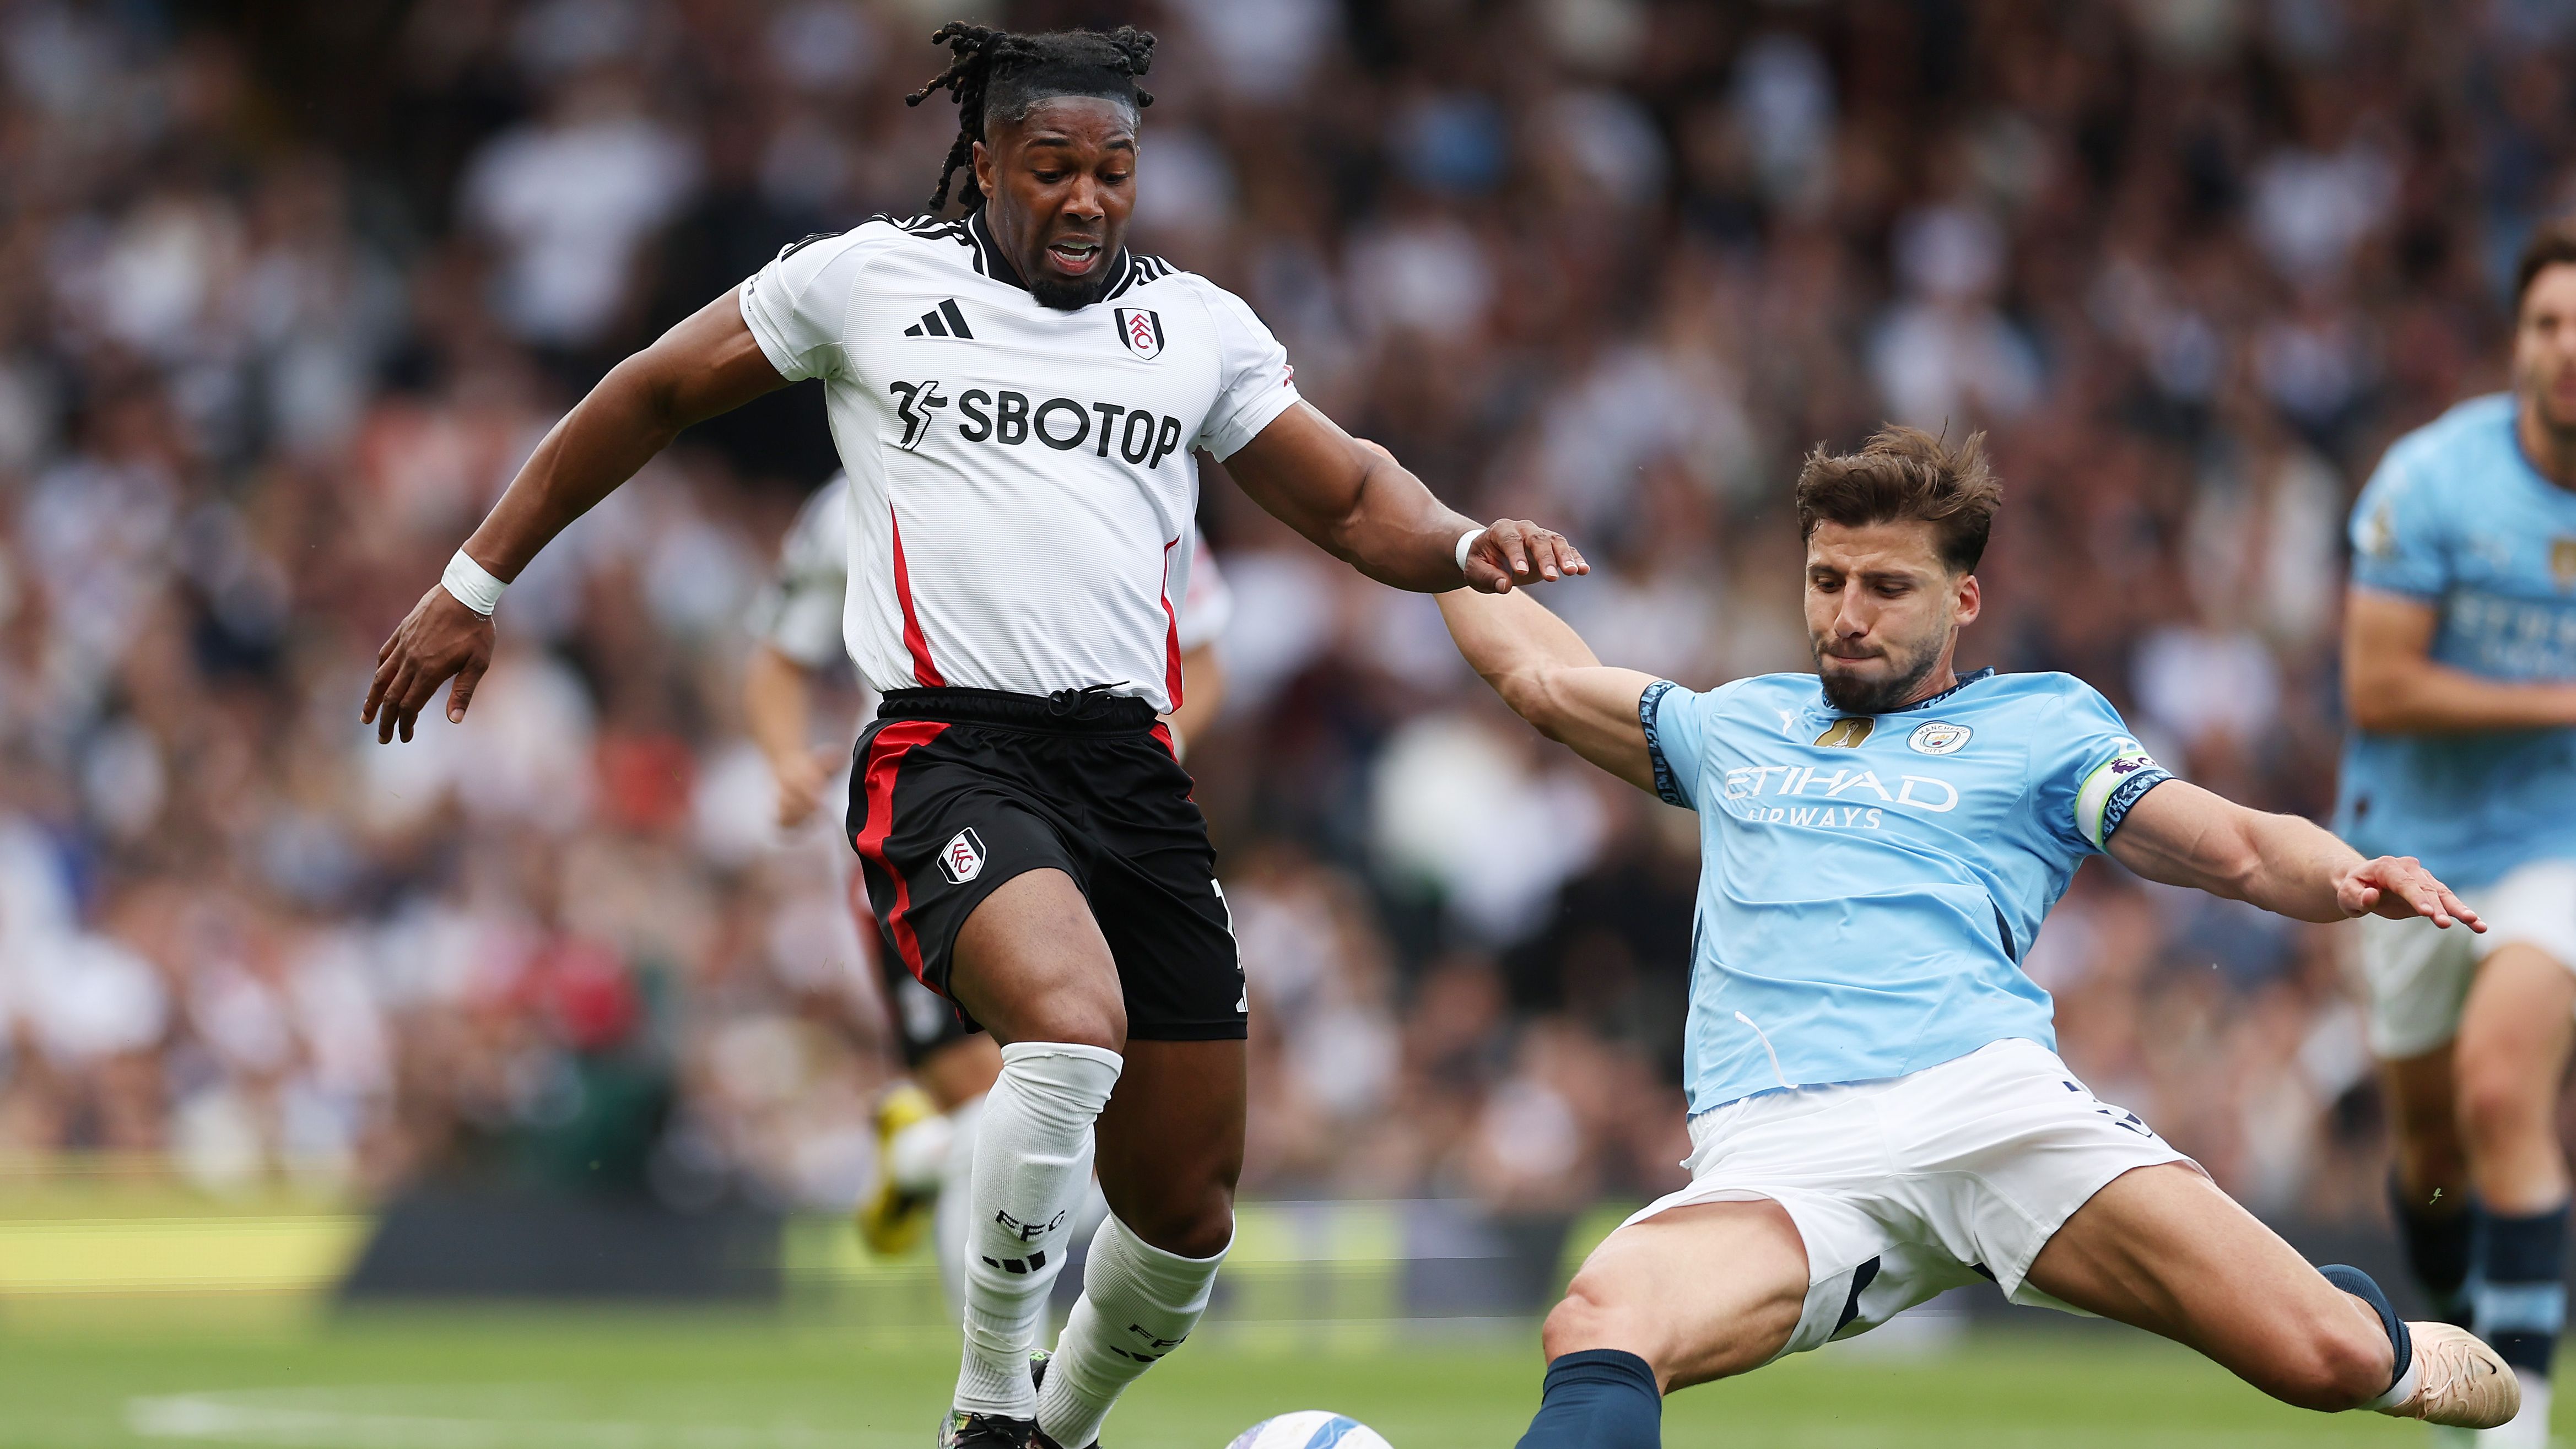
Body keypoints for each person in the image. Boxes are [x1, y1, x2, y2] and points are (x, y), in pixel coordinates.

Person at [360, 23, 1584, 1449]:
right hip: (947, 747)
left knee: (1183, 1218)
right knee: (1065, 1027)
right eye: (1052, 165)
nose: (1085, 197)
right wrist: (473, 579)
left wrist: (1460, 540)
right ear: (984, 159)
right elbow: (653, 387)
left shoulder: (1194, 326)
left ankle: (1057, 1427)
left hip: (1130, 765)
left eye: (1112, 170)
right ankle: (989, 1407)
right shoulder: (868, 279)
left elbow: (1354, 495)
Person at [1425, 425, 2517, 1447]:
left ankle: (2376, 1333)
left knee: (2320, 1359)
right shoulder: (1737, 723)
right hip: (1780, 1155)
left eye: (1886, 587)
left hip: (1982, 1106)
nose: (1847, 614)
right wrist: (1439, 538)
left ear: (1963, 598)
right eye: (1826, 580)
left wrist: (2341, 872)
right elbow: (1539, 674)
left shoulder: (2042, 725)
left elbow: (2221, 843)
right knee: (1600, 1318)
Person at [741, 470, 1234, 1306]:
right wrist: (788, 760)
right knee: (994, 1101)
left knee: (1079, 1124)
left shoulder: (1137, 461)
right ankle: (1002, 1393)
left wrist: (1158, 753)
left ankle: (924, 1157)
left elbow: (1204, 654)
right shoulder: (860, 487)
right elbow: (780, 655)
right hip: (929, 816)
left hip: (1108, 824)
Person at [2340, 218, 2576, 1447]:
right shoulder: (2432, 478)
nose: (2570, 347)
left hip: (2562, 841)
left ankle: (2521, 1414)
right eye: (2548, 322)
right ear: (2516, 343)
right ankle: (2460, 1346)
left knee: (2501, 1088)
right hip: (2412, 849)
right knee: (2430, 1147)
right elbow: (2377, 687)